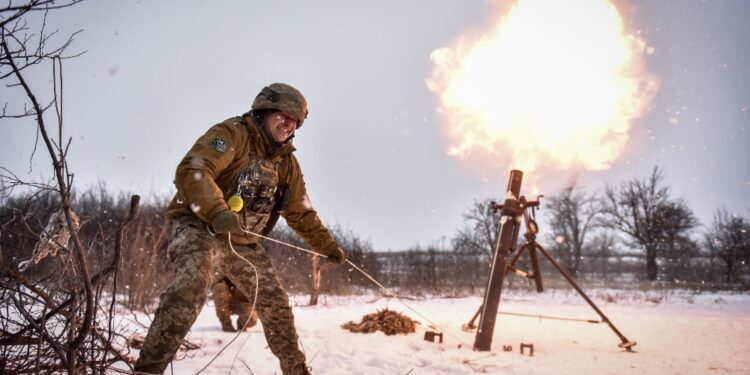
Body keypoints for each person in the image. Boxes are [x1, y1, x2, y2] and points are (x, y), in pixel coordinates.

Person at [134, 83, 346, 375]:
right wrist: (218, 211)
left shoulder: (287, 164)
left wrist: (327, 246)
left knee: (276, 306)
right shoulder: (231, 134)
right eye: (283, 116)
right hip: (200, 226)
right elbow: (193, 170)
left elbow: (301, 211)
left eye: (295, 121)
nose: (288, 124)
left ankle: (297, 372)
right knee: (191, 286)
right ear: (264, 111)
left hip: (243, 243)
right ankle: (147, 370)